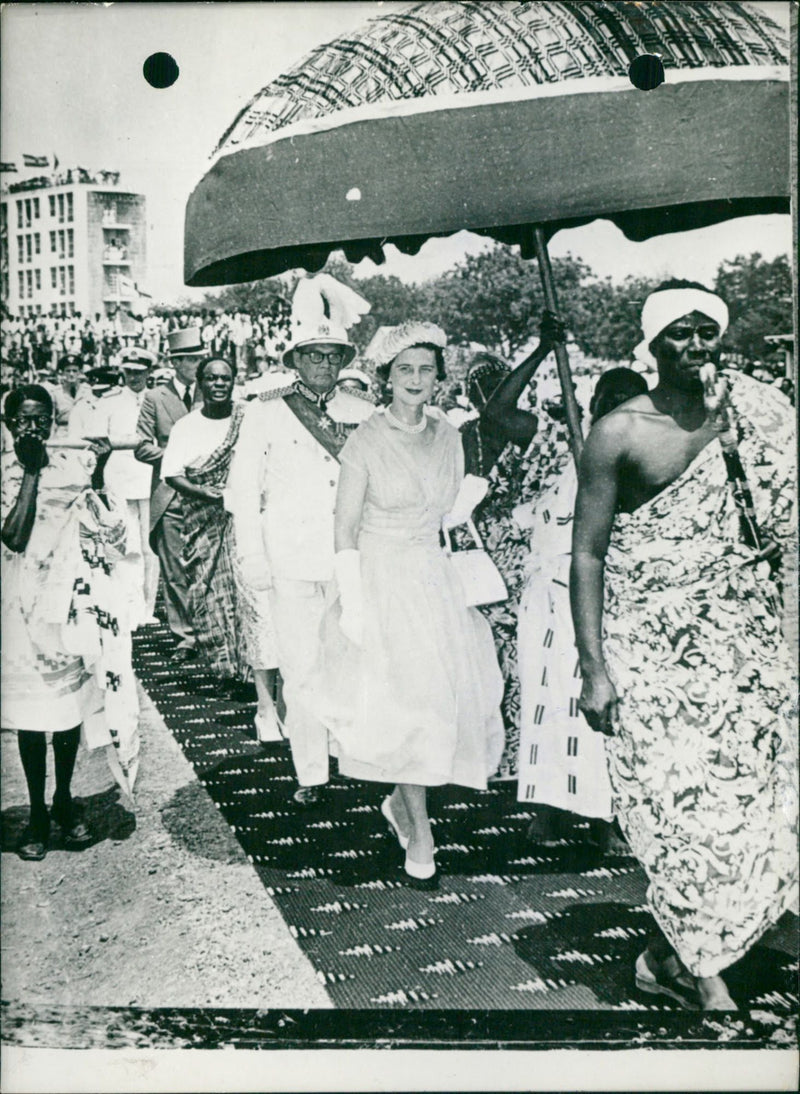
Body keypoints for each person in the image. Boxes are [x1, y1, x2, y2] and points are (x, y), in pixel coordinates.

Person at [570, 280, 797, 1010]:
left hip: (741, 641)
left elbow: (780, 514)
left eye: (706, 332)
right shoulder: (618, 432)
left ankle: (673, 953)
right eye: (679, 334)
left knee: (754, 805)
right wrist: (594, 668)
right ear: (652, 344)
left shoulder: (753, 413)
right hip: (650, 648)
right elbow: (588, 556)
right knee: (677, 811)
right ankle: (704, 971)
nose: (696, 346)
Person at [313, 322, 504, 884]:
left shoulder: (449, 434)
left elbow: (446, 511)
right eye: (404, 371)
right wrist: (353, 602)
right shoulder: (364, 440)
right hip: (379, 578)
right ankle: (419, 828)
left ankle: (403, 802)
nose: (416, 380)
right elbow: (344, 527)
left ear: (439, 377)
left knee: (434, 706)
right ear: (386, 379)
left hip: (433, 578)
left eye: (425, 369)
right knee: (406, 706)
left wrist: (470, 499)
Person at [226, 274, 374, 803]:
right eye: (314, 355)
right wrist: (252, 556)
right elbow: (242, 492)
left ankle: (350, 756)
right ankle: (311, 772)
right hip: (288, 559)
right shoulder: (266, 412)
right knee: (301, 666)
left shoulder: (361, 413)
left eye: (333, 356)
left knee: (352, 661)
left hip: (348, 558)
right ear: (295, 360)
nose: (325, 365)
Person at [1, 385, 139, 861]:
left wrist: (99, 469)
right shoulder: (5, 470)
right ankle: (37, 813)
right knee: (30, 716)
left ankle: (63, 800)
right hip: (20, 604)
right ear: (9, 424)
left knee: (65, 714)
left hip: (67, 603)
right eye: (24, 421)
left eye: (42, 420)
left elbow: (103, 523)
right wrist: (31, 473)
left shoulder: (70, 461)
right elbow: (15, 536)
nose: (34, 428)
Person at [516, 368, 647, 849]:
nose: (614, 409)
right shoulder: (559, 449)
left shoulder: (643, 460)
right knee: (549, 707)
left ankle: (605, 817)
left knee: (604, 711)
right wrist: (537, 353)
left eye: (626, 402)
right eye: (606, 400)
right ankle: (547, 808)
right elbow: (499, 418)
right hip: (549, 602)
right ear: (590, 405)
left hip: (607, 602)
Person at [458, 312, 566, 780]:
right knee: (502, 659)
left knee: (517, 658)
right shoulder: (474, 433)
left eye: (494, 384)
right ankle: (507, 756)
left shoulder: (529, 431)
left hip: (518, 553)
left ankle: (519, 757)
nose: (487, 396)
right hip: (495, 557)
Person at [162, 357, 281, 735]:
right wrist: (208, 494)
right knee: (214, 592)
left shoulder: (248, 419)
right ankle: (230, 668)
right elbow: (173, 474)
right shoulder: (186, 426)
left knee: (251, 594)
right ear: (199, 382)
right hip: (206, 517)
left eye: (225, 378)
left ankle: (254, 671)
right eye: (211, 378)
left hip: (247, 518)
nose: (218, 384)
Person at [134, 327, 205, 661]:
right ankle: (185, 636)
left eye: (199, 358)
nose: (196, 365)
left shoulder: (214, 391)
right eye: (190, 359)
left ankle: (209, 631)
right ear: (176, 363)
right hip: (169, 495)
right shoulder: (154, 398)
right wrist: (177, 454)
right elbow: (142, 446)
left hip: (206, 494)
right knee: (175, 570)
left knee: (205, 567)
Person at [79, 347, 160, 630]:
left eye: (140, 372)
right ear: (122, 373)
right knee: (127, 549)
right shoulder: (109, 403)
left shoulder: (157, 399)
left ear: (149, 372)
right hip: (121, 481)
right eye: (129, 372)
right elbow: (94, 444)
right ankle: (128, 608)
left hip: (152, 480)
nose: (135, 378)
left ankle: (147, 610)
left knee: (152, 549)